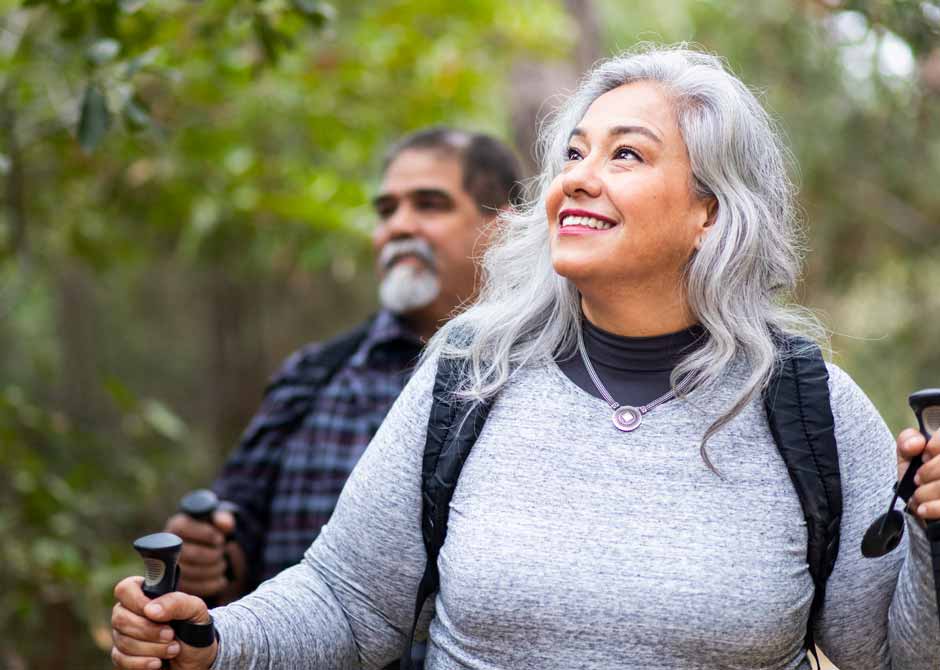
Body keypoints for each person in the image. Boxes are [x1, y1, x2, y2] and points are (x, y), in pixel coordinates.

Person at [111, 45, 940, 670]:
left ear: (711, 215)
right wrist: (214, 640)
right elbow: (351, 599)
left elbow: (895, 654)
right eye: (573, 152)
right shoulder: (473, 371)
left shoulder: (806, 401)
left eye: (626, 154)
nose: (578, 178)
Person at [162, 126, 522, 602]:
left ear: (503, 226)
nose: (398, 227)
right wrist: (209, 556)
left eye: (429, 204)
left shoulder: (547, 377)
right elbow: (239, 531)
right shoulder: (314, 375)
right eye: (387, 210)